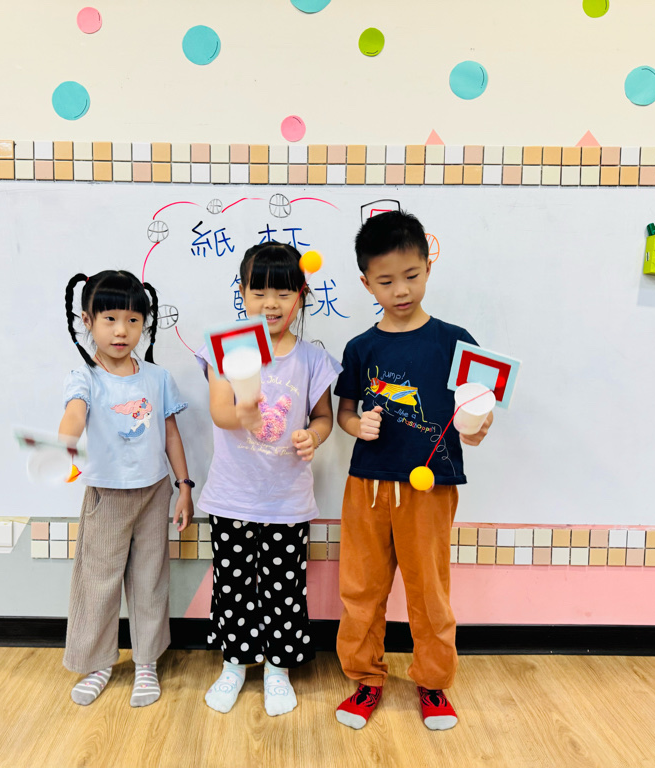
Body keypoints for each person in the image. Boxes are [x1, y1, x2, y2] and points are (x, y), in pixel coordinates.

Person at [333, 211, 493, 731]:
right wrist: (357, 426)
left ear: (428, 267)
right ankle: (366, 679)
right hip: (367, 486)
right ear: (366, 283)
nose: (400, 290)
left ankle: (433, 682)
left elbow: (476, 408)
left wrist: (476, 427)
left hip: (430, 488)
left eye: (411, 275)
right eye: (385, 281)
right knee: (361, 590)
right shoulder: (361, 348)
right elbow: (345, 412)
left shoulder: (454, 340)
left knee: (429, 593)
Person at [195, 242, 341, 717]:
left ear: (301, 295)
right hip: (232, 496)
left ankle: (278, 668)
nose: (270, 303)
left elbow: (324, 417)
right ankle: (235, 664)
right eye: (258, 291)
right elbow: (220, 412)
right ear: (242, 293)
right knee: (233, 586)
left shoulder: (312, 360)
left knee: (284, 586)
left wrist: (312, 437)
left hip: (287, 499)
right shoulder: (227, 347)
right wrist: (244, 413)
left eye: (283, 292)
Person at [58, 269, 193, 709]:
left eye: (133, 320)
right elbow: (75, 412)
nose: (121, 331)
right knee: (98, 583)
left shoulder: (157, 377)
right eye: (110, 319)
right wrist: (66, 439)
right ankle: (98, 663)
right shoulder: (85, 377)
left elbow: (170, 434)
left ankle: (147, 662)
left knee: (150, 580)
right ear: (87, 321)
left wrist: (184, 486)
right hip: (107, 495)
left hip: (154, 491)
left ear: (144, 324)